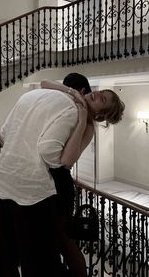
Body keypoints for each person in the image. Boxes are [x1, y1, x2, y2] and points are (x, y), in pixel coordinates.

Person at [0, 74, 125, 277]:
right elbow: (51, 154)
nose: (96, 93)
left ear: (99, 115)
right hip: (35, 188)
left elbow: (61, 159)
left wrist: (80, 118)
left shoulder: (81, 121)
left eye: (102, 99)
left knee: (52, 244)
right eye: (100, 93)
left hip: (49, 185)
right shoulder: (68, 103)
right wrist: (72, 96)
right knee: (39, 254)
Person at [42, 73, 92, 277]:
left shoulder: (86, 124)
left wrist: (81, 115)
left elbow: (67, 161)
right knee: (54, 238)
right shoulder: (69, 108)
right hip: (54, 181)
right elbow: (45, 82)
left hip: (61, 185)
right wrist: (71, 93)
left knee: (63, 239)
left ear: (82, 93)